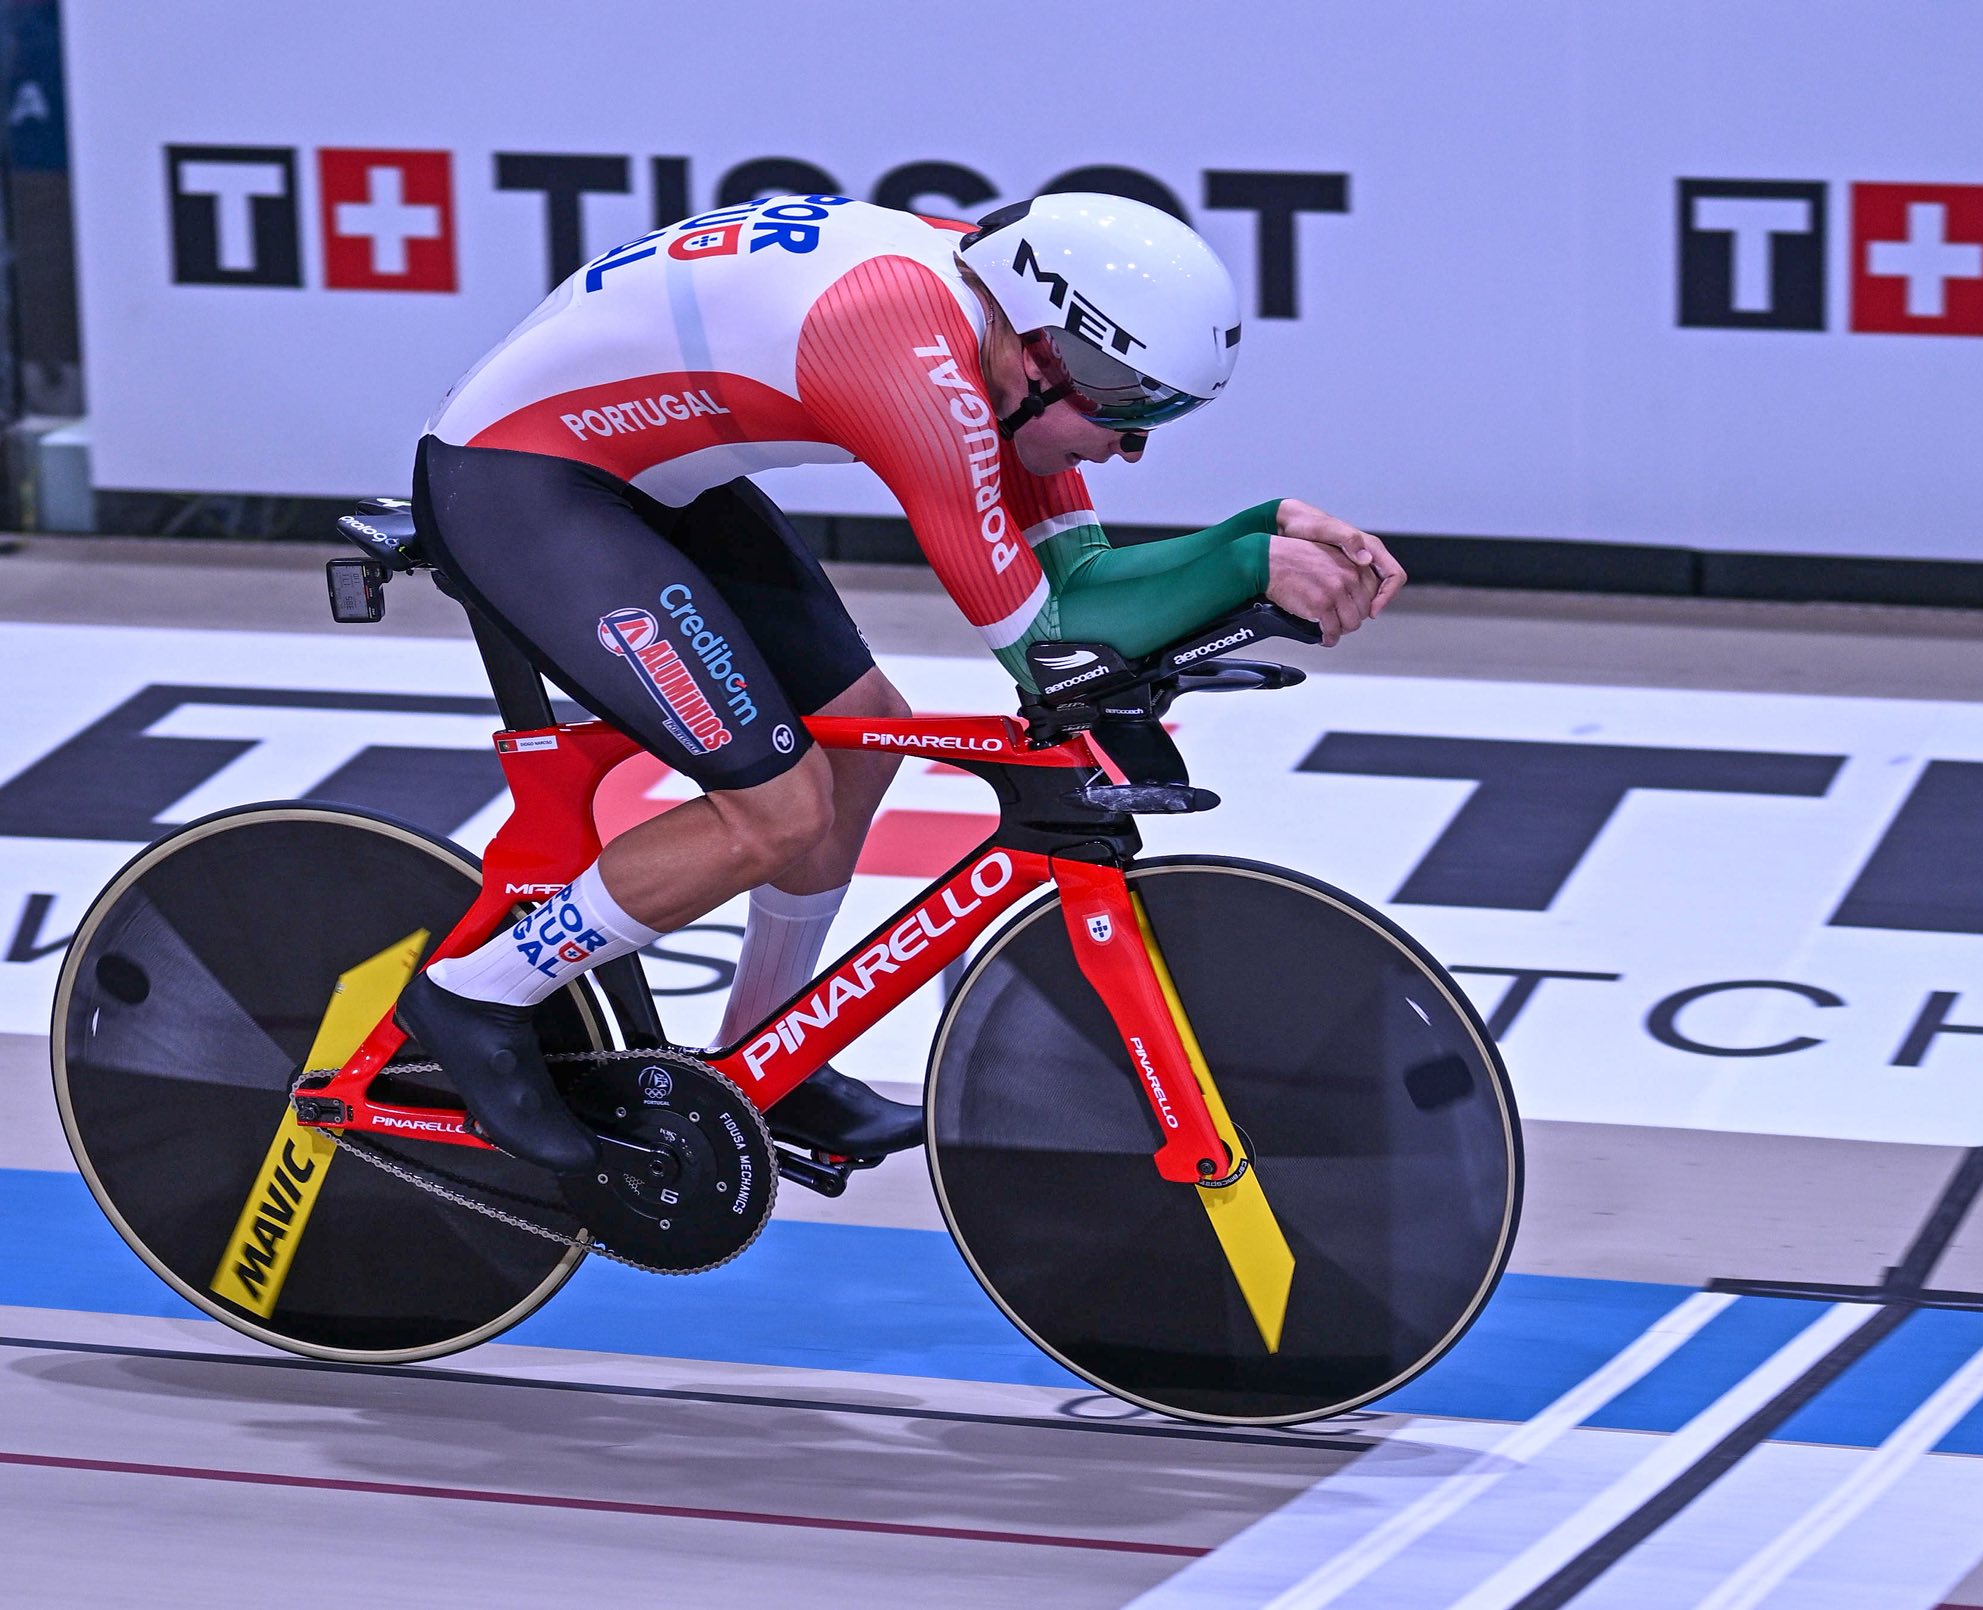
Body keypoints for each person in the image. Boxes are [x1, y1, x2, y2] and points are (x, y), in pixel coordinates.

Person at [396, 191, 1406, 1174]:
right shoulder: (909, 359)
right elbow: (1050, 647)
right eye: (1126, 409)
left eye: (1162, 416)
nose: (1131, 448)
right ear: (1047, 353)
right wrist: (1245, 563)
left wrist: (1255, 531)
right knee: (778, 809)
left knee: (865, 731)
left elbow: (1080, 584)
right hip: (518, 481)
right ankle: (475, 993)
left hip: (642, 477)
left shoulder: (1002, 330)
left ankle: (767, 1052)